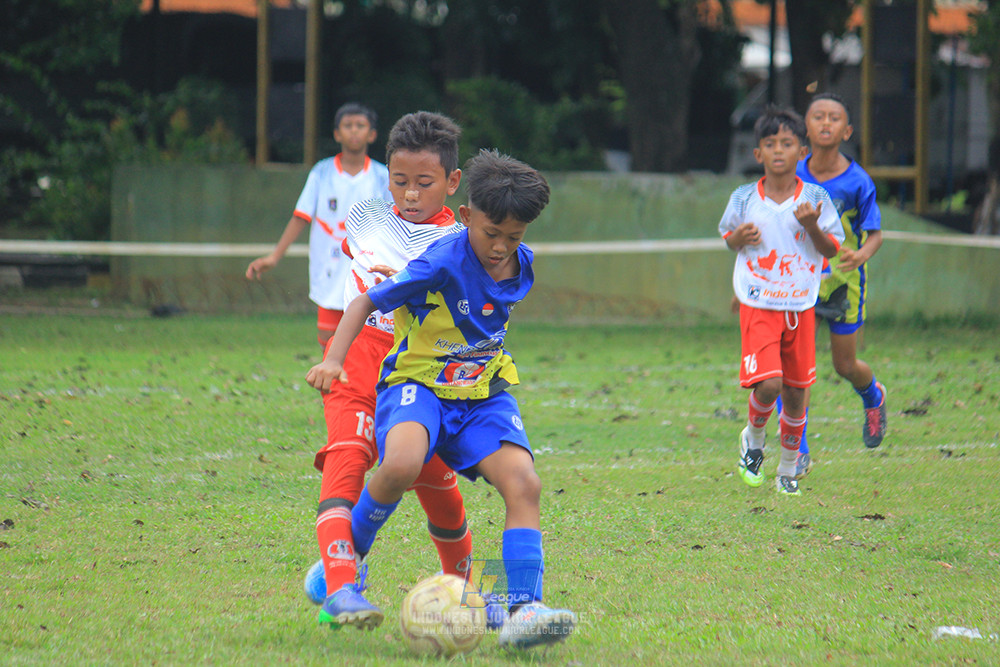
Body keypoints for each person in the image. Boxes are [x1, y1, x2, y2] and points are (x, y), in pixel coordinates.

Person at [306, 148, 577, 650]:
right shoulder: (438, 261)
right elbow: (366, 300)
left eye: (513, 237)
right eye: (491, 234)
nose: (500, 247)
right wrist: (333, 360)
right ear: (468, 217)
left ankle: (523, 607)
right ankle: (345, 561)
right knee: (401, 464)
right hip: (420, 385)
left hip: (483, 394)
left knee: (525, 484)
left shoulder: (522, 263)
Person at [303, 111, 476, 631]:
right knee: (349, 458)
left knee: (438, 483)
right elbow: (361, 290)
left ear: (452, 182)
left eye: (425, 184)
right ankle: (341, 587)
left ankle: (463, 591)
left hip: (418, 376)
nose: (410, 194)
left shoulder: (463, 243)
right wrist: (333, 355)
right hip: (358, 365)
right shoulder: (367, 219)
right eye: (399, 181)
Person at [718, 106, 845, 496]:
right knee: (769, 384)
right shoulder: (743, 198)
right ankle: (753, 441)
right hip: (758, 302)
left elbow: (832, 249)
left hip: (800, 304)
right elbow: (728, 238)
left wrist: (810, 225)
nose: (778, 151)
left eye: (787, 143)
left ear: (800, 152)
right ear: (758, 154)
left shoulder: (815, 198)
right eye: (769, 144)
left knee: (795, 392)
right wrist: (740, 237)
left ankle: (787, 469)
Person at [790, 93, 887, 476]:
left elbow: (874, 234)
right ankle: (796, 447)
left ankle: (873, 395)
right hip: (796, 281)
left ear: (846, 130)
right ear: (806, 128)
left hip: (843, 283)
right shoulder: (792, 173)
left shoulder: (858, 181)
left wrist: (861, 255)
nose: (825, 123)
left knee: (844, 364)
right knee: (795, 367)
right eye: (818, 117)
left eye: (834, 118)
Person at [246, 102, 389, 347]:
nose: (354, 131)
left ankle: (360, 387)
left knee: (366, 343)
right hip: (330, 270)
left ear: (372, 134)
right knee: (329, 341)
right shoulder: (321, 173)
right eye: (347, 125)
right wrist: (274, 257)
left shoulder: (382, 176)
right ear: (337, 134)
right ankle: (329, 387)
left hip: (367, 270)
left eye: (360, 126)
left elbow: (394, 222)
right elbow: (301, 216)